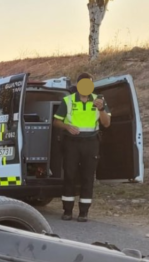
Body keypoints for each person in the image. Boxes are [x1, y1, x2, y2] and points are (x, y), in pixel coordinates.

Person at [53, 72, 111, 222]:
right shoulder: (68, 100)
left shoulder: (99, 101)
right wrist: (67, 126)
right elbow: (56, 122)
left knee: (87, 177)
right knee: (70, 176)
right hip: (72, 143)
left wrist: (102, 109)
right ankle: (67, 211)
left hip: (91, 143)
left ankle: (83, 212)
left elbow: (106, 123)